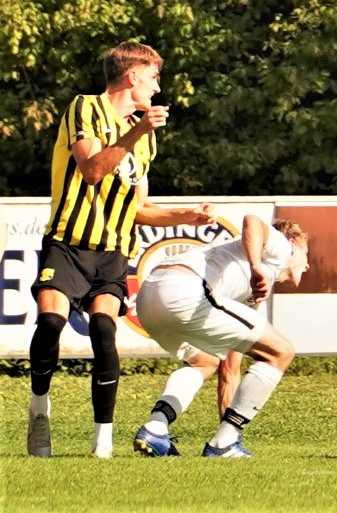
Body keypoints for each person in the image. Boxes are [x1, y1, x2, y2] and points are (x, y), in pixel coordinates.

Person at [29, 41, 214, 458]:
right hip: (68, 242)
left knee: (103, 330)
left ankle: (103, 439)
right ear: (132, 76)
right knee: (52, 323)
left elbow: (138, 208)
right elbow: (92, 170)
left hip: (112, 251)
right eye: (153, 77)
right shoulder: (86, 108)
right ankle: (39, 409)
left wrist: (184, 215)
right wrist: (138, 131)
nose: (158, 87)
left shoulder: (144, 137)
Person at [129, 214, 310, 458]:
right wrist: (256, 266)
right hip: (184, 289)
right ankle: (223, 443)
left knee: (204, 362)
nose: (308, 266)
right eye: (306, 254)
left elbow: (230, 367)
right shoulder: (281, 247)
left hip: (148, 299)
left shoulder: (250, 286)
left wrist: (227, 421)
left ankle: (156, 428)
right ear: (294, 242)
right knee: (281, 352)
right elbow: (252, 221)